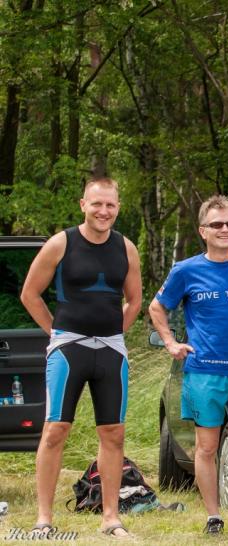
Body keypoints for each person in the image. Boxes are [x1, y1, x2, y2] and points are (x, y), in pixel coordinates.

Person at [20, 178, 142, 539]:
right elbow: (30, 294)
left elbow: (135, 300)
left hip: (111, 351)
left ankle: (110, 517)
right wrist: (55, 333)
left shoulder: (126, 247)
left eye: (110, 205)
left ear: (118, 208)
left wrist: (114, 333)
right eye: (97, 204)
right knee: (55, 430)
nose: (103, 211)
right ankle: (44, 517)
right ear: (83, 204)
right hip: (68, 348)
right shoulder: (62, 243)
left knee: (113, 434)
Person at [149, 195, 228, 536]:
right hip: (204, 371)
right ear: (203, 231)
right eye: (217, 224)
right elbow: (157, 307)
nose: (225, 229)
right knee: (206, 447)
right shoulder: (185, 270)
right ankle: (214, 517)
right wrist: (170, 342)